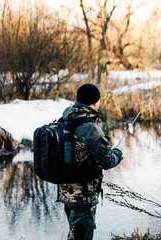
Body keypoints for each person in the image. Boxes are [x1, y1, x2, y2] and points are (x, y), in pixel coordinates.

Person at [58, 83, 123, 240]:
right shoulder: (90, 128)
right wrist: (118, 154)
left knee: (74, 233)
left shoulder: (65, 120)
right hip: (83, 195)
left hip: (66, 191)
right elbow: (107, 161)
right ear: (95, 102)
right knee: (82, 235)